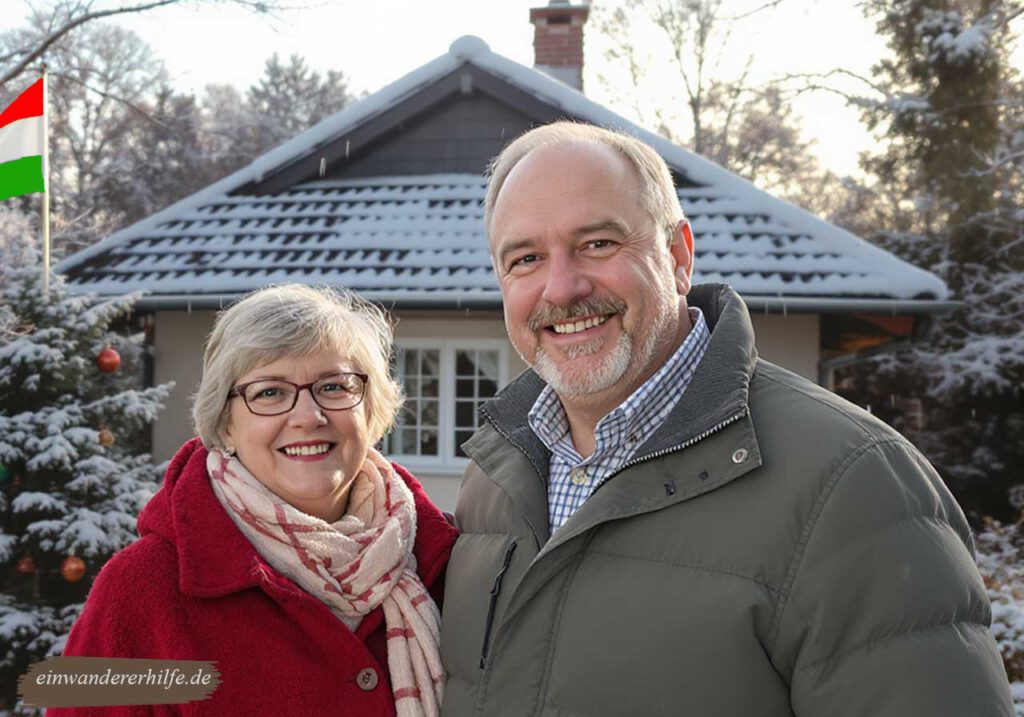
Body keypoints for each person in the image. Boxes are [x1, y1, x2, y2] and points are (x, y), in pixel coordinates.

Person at [439, 122, 1013, 716]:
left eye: (599, 243)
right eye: (526, 259)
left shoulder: (853, 484)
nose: (561, 288)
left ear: (677, 256)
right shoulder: (494, 478)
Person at [54, 284, 457, 716]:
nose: (308, 416)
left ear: (372, 409)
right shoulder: (141, 591)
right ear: (225, 423)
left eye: (334, 387)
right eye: (270, 392)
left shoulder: (447, 565)